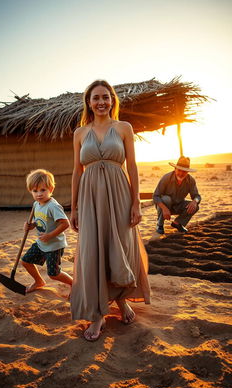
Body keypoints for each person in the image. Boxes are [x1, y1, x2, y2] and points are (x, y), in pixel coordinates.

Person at [70, 80, 151, 342]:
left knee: (122, 247)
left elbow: (134, 167)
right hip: (90, 197)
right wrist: (74, 208)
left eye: (106, 97)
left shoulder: (124, 128)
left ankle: (122, 301)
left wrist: (136, 202)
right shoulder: (80, 133)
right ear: (89, 102)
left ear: (112, 100)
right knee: (94, 250)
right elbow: (76, 171)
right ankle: (98, 314)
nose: (101, 102)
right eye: (96, 98)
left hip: (119, 194)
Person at [21, 169, 73, 293]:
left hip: (54, 245)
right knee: (25, 262)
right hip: (42, 243)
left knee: (53, 274)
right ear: (30, 191)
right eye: (35, 191)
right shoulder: (36, 204)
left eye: (43, 190)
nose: (39, 194)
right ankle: (39, 281)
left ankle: (74, 283)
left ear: (51, 189)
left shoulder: (53, 206)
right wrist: (31, 225)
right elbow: (39, 221)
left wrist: (50, 235)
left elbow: (66, 224)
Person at [153, 156, 201, 234]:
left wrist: (195, 201)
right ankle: (160, 224)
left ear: (188, 172)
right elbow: (155, 196)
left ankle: (178, 223)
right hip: (164, 207)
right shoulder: (166, 177)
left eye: (184, 171)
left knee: (196, 206)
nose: (181, 173)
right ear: (175, 169)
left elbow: (197, 196)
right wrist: (164, 209)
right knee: (166, 199)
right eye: (179, 170)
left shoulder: (190, 180)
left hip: (179, 205)